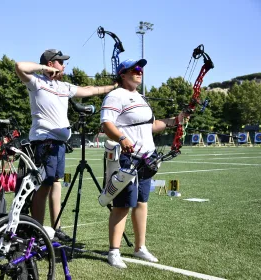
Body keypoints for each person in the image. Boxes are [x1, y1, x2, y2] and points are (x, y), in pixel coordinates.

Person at [15, 49, 118, 241]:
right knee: (43, 186)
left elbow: (89, 90)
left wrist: (112, 87)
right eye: (60, 62)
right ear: (50, 63)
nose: (64, 66)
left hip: (59, 144)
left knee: (55, 184)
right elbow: (20, 66)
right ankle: (37, 232)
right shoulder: (36, 82)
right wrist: (44, 68)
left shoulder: (63, 86)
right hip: (45, 142)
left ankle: (56, 228)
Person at [100, 59, 188, 268]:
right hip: (128, 157)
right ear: (123, 74)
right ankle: (114, 251)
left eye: (141, 70)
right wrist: (122, 138)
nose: (140, 72)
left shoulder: (141, 98)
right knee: (122, 205)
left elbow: (151, 126)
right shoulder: (115, 95)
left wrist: (176, 120)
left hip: (147, 158)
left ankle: (140, 247)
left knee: (141, 202)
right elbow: (106, 124)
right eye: (135, 70)